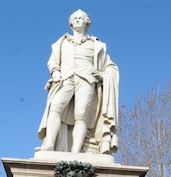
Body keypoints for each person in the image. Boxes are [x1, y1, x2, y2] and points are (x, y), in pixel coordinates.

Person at [37, 9, 119, 155]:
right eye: (75, 18)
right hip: (65, 78)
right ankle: (49, 144)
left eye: (81, 18)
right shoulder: (61, 42)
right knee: (54, 108)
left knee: (81, 115)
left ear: (86, 23)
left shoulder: (95, 44)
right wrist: (55, 71)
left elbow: (111, 67)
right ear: (70, 22)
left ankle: (76, 151)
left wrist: (102, 75)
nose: (77, 20)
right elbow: (52, 61)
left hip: (87, 79)